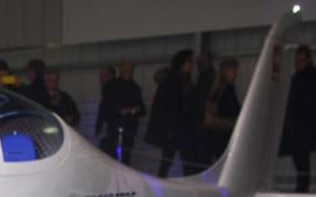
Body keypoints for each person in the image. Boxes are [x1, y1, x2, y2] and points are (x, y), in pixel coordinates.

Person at [279, 45, 316, 193]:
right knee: (300, 157)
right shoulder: (314, 77)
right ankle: (302, 186)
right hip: (302, 124)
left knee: (301, 157)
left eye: (300, 60)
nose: (298, 63)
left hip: (301, 124)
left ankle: (302, 186)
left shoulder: (307, 78)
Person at [145, 49, 197, 177]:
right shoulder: (175, 82)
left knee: (170, 158)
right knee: (182, 158)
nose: (192, 66)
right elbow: (173, 107)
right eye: (189, 62)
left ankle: (164, 181)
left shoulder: (179, 81)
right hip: (175, 129)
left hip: (175, 129)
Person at [97, 60, 146, 165]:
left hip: (128, 130)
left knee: (125, 160)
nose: (127, 72)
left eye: (130, 70)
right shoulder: (110, 87)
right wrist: (119, 112)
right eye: (125, 70)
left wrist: (137, 109)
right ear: (121, 70)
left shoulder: (135, 88)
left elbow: (142, 108)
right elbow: (105, 108)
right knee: (109, 160)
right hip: (112, 129)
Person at [204, 58, 241, 164]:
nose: (236, 74)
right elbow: (230, 109)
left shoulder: (216, 88)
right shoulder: (227, 89)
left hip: (215, 133)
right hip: (223, 133)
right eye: (234, 70)